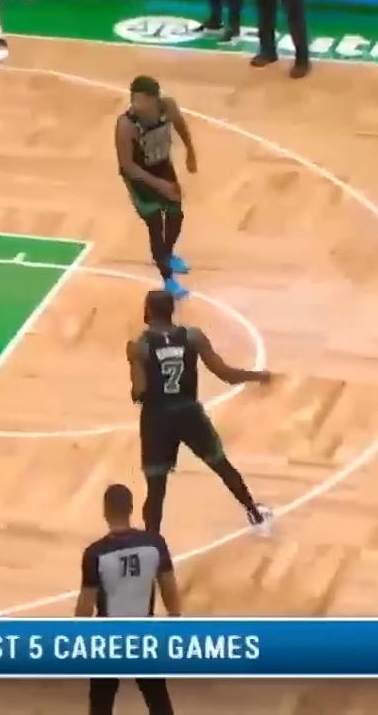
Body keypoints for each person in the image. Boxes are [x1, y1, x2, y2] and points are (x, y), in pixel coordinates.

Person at [131, 289, 275, 538]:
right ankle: (255, 514)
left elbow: (138, 392)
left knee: (156, 490)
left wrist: (133, 364)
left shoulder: (140, 346)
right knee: (221, 465)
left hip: (157, 419)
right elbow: (226, 374)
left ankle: (153, 544)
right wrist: (257, 376)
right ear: (171, 310)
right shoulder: (192, 336)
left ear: (149, 311)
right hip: (189, 413)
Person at [77, 483, 179, 715]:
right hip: (144, 637)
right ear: (131, 508)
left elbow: (85, 605)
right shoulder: (155, 544)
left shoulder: (95, 553)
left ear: (105, 511)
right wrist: (174, 623)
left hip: (108, 642)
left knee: (101, 706)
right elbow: (170, 589)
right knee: (159, 702)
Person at [116, 77, 197, 299]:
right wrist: (160, 185)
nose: (135, 104)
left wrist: (190, 152)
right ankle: (168, 279)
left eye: (141, 100)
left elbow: (181, 126)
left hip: (162, 166)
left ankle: (167, 254)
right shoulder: (126, 125)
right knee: (155, 225)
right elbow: (127, 166)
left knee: (176, 214)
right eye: (133, 99)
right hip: (139, 177)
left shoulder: (168, 107)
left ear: (154, 99)